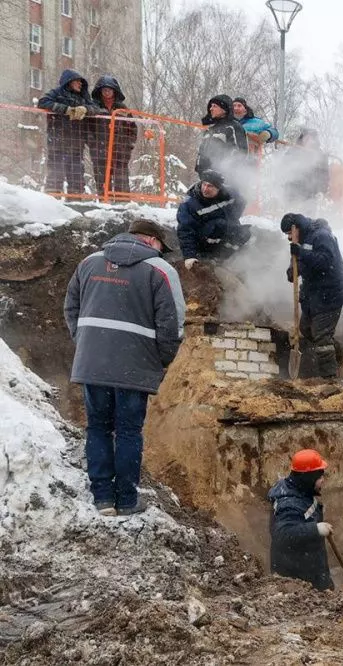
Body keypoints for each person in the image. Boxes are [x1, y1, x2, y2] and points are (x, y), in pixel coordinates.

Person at [64, 219, 185, 516]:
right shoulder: (160, 270)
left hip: (93, 362)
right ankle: (127, 500)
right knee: (129, 431)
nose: (161, 252)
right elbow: (172, 323)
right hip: (134, 364)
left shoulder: (89, 262)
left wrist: (86, 344)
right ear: (152, 241)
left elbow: (71, 308)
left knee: (99, 428)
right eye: (160, 247)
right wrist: (161, 359)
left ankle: (103, 498)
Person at [281, 213, 343, 377]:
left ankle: (330, 379)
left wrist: (301, 253)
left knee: (321, 336)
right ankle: (341, 355)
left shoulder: (322, 236)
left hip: (331, 293)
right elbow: (301, 262)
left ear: (297, 228)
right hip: (314, 295)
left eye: (289, 233)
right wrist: (292, 271)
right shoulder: (302, 241)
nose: (289, 237)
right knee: (306, 329)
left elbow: (325, 261)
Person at [267, 449, 334, 591]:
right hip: (298, 585)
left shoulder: (301, 492)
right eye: (319, 476)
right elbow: (282, 534)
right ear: (308, 478)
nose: (323, 480)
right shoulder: (289, 503)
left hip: (312, 574)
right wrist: (315, 529)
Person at [37, 69, 100, 195]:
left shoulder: (83, 97)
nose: (80, 84)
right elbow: (43, 102)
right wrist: (66, 110)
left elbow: (96, 108)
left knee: (76, 178)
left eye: (81, 82)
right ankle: (51, 203)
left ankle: (76, 203)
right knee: (55, 176)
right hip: (58, 143)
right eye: (77, 81)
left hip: (77, 144)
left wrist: (85, 109)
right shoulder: (57, 93)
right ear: (69, 81)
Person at [176, 169, 249, 269]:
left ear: (218, 188)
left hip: (221, 233)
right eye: (204, 184)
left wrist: (233, 219)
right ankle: (208, 258)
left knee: (244, 233)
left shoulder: (228, 194)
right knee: (218, 224)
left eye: (210, 186)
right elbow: (185, 230)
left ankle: (222, 258)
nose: (205, 189)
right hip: (201, 240)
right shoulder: (189, 204)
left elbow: (241, 202)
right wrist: (189, 256)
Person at [88, 75, 138, 199]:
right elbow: (87, 128)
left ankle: (122, 202)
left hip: (120, 149)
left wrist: (129, 144)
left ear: (115, 91)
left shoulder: (123, 108)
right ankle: (105, 202)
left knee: (121, 178)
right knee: (102, 178)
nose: (107, 92)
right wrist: (93, 143)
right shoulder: (94, 107)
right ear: (100, 91)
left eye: (109, 89)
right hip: (100, 149)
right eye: (104, 89)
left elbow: (132, 127)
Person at [194, 94, 248, 179]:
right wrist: (200, 169)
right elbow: (201, 152)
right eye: (211, 106)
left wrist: (225, 173)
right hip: (205, 179)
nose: (211, 109)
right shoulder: (210, 129)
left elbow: (241, 153)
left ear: (224, 110)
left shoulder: (234, 127)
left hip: (226, 179)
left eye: (214, 106)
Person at [287, 128, 330, 202]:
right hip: (293, 193)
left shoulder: (320, 155)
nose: (309, 141)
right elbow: (285, 169)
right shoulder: (293, 151)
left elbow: (325, 175)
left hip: (311, 194)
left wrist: (322, 190)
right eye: (307, 138)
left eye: (312, 138)